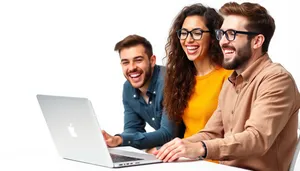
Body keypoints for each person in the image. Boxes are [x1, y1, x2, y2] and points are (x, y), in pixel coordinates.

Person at [155, 2, 300, 171]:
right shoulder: (232, 81)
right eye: (222, 33)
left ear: (257, 41)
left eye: (231, 34)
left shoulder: (276, 79)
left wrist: (201, 148)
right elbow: (212, 132)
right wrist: (178, 146)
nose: (222, 41)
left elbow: (257, 138)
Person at [163, 4, 232, 139]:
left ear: (213, 37)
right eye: (184, 33)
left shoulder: (228, 76)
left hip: (214, 158)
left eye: (196, 33)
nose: (188, 40)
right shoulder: (180, 77)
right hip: (186, 156)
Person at [101, 34, 176, 150]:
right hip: (168, 151)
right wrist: (113, 142)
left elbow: (168, 133)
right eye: (125, 62)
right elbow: (132, 129)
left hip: (192, 151)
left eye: (138, 60)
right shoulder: (128, 88)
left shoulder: (169, 82)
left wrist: (121, 140)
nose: (131, 68)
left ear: (152, 60)